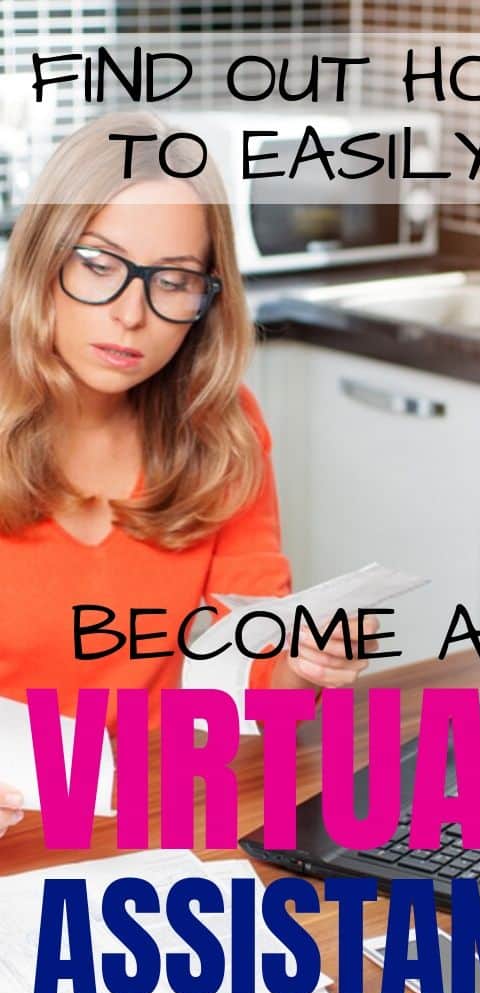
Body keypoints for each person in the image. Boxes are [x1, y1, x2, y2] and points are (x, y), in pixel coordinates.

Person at [0, 111, 377, 838]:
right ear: (45, 257)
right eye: (99, 265)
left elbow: (271, 686)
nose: (132, 314)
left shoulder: (222, 429)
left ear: (205, 301)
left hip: (144, 830)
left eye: (172, 281)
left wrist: (312, 661)